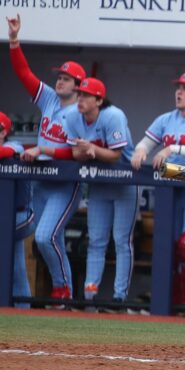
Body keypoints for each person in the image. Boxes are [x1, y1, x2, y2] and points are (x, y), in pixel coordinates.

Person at [8, 14, 84, 304]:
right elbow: (24, 73)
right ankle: (44, 296)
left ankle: (62, 290)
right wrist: (14, 40)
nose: (59, 81)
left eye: (65, 78)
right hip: (40, 181)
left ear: (78, 85)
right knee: (41, 236)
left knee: (45, 237)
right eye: (59, 77)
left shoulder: (81, 111)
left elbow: (75, 152)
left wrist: (43, 150)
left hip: (64, 181)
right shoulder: (50, 99)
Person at [130, 71, 185, 306]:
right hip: (171, 192)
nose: (179, 92)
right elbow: (147, 142)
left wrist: (173, 149)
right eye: (178, 87)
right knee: (166, 247)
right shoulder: (166, 119)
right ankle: (167, 302)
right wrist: (140, 150)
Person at [62, 78, 137, 306]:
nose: (80, 98)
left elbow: (116, 155)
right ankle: (90, 293)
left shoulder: (113, 115)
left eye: (85, 95)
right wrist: (84, 152)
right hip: (99, 184)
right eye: (79, 93)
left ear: (99, 100)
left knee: (122, 240)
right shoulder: (73, 116)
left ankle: (119, 297)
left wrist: (92, 149)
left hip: (123, 181)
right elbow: (74, 152)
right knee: (96, 240)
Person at [0, 111, 34, 308]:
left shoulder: (14, 145)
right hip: (5, 217)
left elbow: (7, 152)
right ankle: (23, 312)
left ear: (4, 132)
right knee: (17, 268)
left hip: (22, 215)